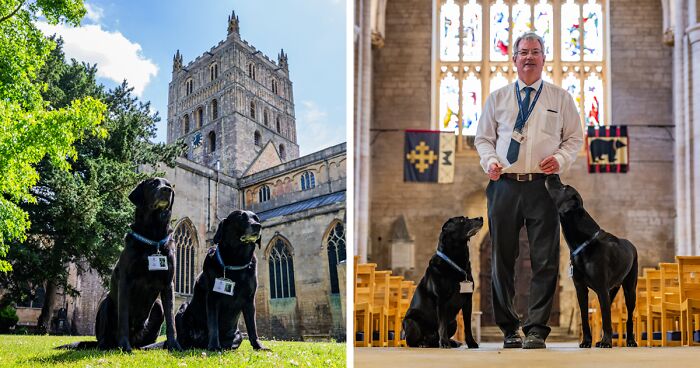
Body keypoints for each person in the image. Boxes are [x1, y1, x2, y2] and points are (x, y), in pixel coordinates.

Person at [474, 32, 583, 349]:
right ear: (514, 59)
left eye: (536, 52)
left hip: (543, 186)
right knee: (501, 258)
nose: (529, 57)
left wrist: (561, 158)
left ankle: (536, 329)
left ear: (544, 58)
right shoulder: (498, 98)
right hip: (504, 185)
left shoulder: (560, 99)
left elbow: (574, 138)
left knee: (545, 259)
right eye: (523, 52)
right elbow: (483, 139)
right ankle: (509, 329)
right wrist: (490, 161)